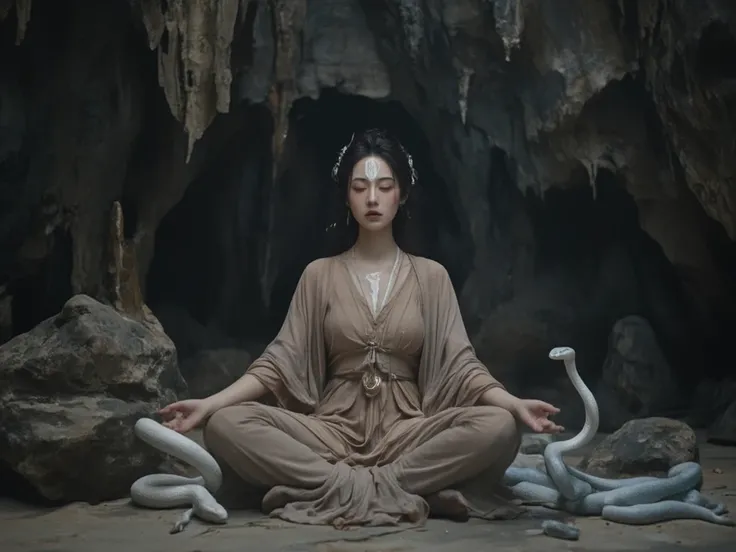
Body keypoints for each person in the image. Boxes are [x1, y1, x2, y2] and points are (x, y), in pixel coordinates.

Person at [158, 128, 563, 528]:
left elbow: (462, 366)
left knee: (499, 428)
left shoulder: (431, 277)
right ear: (346, 196)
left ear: (401, 194)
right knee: (228, 425)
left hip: (408, 432)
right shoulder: (320, 275)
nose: (372, 198)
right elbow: (278, 363)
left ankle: (356, 486)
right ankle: (385, 488)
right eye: (360, 187)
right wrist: (210, 404)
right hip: (331, 431)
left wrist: (513, 404)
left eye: (385, 186)